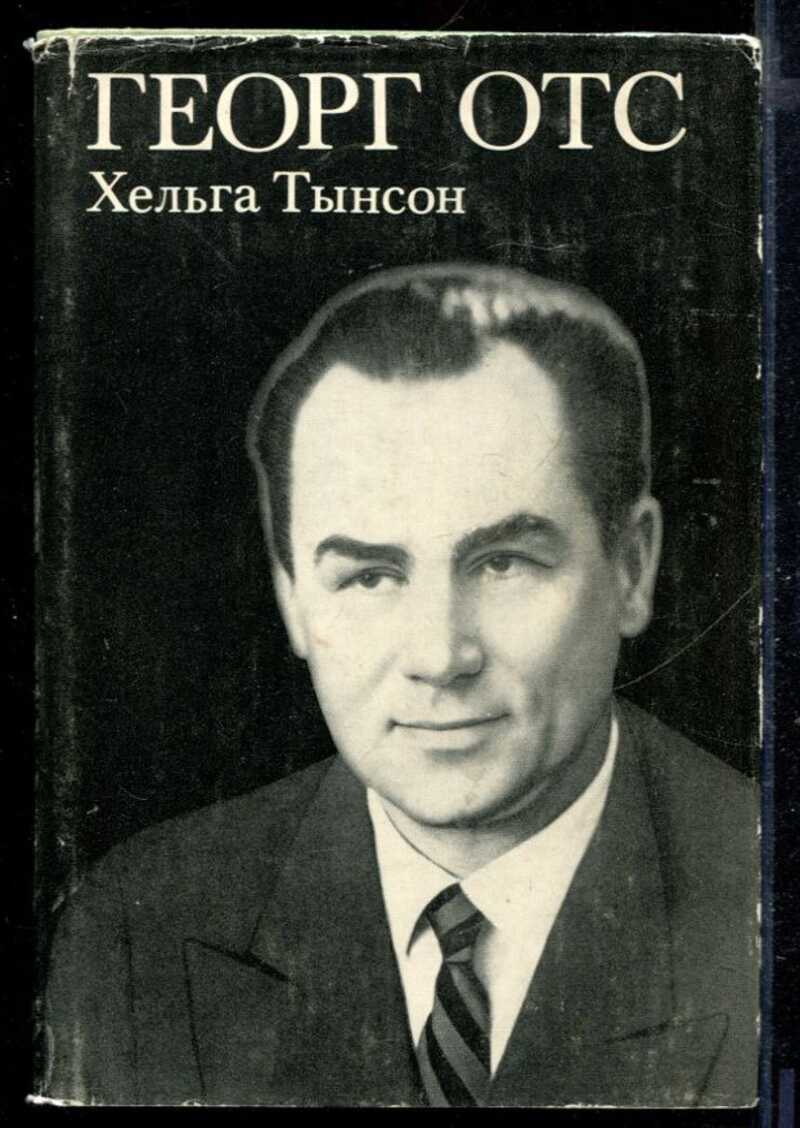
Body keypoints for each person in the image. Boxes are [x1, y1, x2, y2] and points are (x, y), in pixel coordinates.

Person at [42, 263, 759, 1107]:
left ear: (631, 569)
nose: (440, 655)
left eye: (503, 562)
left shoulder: (766, 901)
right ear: (293, 600)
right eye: (371, 576)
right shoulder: (138, 930)